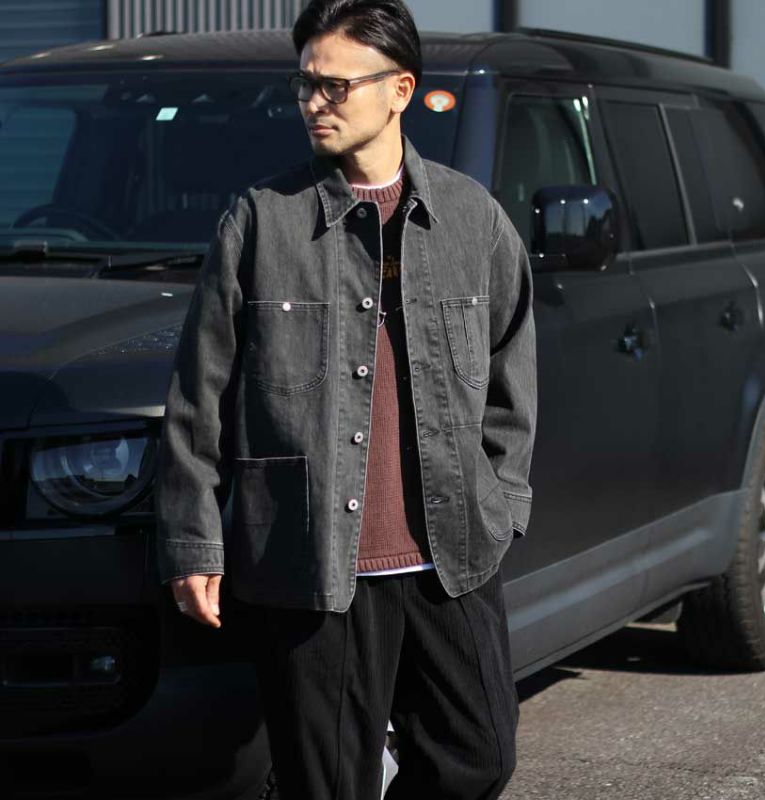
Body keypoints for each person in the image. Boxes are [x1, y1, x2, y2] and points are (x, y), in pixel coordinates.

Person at [154, 1, 537, 797]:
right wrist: (195, 543)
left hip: (451, 558)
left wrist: (501, 504)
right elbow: (199, 399)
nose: (313, 103)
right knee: (327, 782)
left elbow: (511, 378)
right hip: (312, 564)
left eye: (335, 86)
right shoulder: (262, 222)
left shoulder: (473, 219)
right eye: (305, 85)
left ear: (400, 90)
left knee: (482, 755)